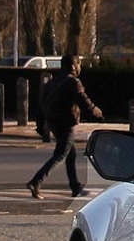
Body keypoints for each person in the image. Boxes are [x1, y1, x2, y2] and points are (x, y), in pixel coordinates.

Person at [27, 54, 102, 199]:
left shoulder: (53, 82)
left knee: (70, 153)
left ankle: (75, 187)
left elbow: (41, 105)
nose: (79, 67)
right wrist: (97, 114)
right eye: (78, 64)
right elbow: (84, 102)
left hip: (54, 123)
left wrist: (40, 125)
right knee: (61, 154)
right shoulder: (73, 82)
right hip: (67, 123)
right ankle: (36, 181)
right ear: (73, 66)